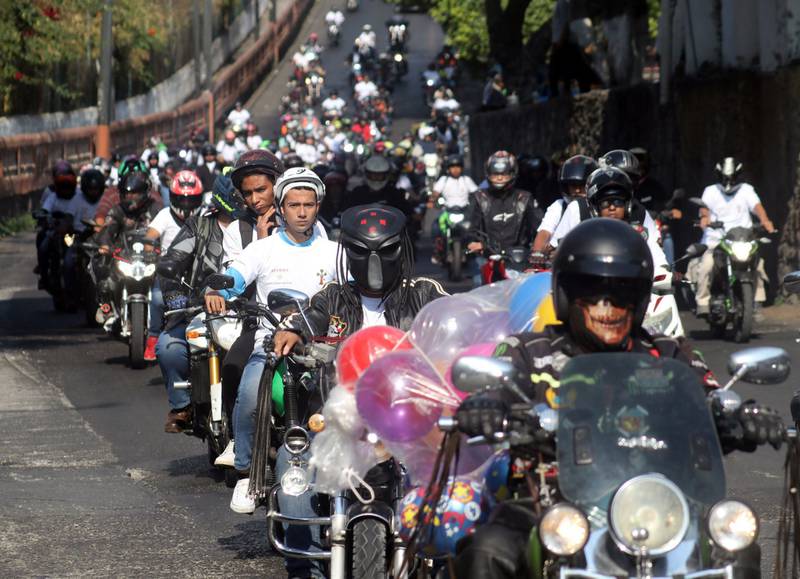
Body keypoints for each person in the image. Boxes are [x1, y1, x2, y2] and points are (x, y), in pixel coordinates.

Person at [452, 218, 783, 578]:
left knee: (735, 548)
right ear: (565, 294)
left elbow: (711, 398)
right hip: (547, 503)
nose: (607, 306)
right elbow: (491, 391)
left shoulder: (668, 352)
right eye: (591, 291)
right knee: (487, 551)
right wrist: (484, 407)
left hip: (663, 504)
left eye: (622, 292)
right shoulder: (529, 351)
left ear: (640, 300)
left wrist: (744, 416)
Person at [271, 205, 447, 578]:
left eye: (384, 250)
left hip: (408, 418)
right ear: (348, 251)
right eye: (363, 251)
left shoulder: (424, 292)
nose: (373, 261)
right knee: (293, 468)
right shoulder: (333, 296)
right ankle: (306, 567)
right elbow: (309, 317)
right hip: (339, 417)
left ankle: (440, 557)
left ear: (400, 249)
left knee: (460, 475)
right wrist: (294, 331)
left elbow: (452, 322)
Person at [203, 168, 339, 520]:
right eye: (294, 205)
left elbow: (358, 284)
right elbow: (235, 276)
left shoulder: (335, 252)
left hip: (322, 346)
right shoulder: (262, 249)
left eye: (309, 204)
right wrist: (218, 288)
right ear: (281, 207)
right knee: (250, 394)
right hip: (270, 343)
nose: (302, 212)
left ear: (318, 206)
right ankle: (246, 473)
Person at [155, 173, 247, 434]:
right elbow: (172, 261)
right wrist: (176, 297)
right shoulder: (199, 226)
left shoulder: (258, 228)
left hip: (247, 311)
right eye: (241, 193)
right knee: (168, 348)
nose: (246, 199)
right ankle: (182, 405)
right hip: (198, 309)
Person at [689, 157, 776, 316]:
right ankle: (702, 302)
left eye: (731, 178)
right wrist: (705, 218)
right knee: (706, 266)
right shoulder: (710, 191)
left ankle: (757, 301)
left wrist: (765, 221)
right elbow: (704, 208)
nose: (728, 182)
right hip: (715, 240)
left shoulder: (747, 190)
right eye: (725, 178)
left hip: (742, 240)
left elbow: (757, 207)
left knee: (758, 265)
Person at [143, 170, 204, 361]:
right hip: (169, 271)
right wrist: (149, 251)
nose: (186, 205)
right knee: (157, 299)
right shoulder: (164, 215)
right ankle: (153, 337)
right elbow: (150, 236)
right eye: (182, 199)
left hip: (197, 271)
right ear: (172, 198)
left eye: (191, 200)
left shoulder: (204, 216)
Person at [94, 169, 161, 325]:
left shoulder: (155, 210)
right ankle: (106, 308)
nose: (130, 197)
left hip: (151, 257)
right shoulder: (117, 210)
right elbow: (108, 229)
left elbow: (166, 230)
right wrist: (105, 245)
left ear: (144, 192)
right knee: (99, 266)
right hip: (123, 256)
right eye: (126, 193)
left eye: (134, 193)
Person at [466, 151, 542, 267]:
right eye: (495, 174)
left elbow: (540, 227)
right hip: (486, 258)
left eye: (504, 174)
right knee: (476, 274)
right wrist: (474, 243)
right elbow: (469, 227)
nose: (500, 178)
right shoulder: (479, 197)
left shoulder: (524, 198)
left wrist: (539, 249)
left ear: (513, 174)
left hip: (520, 260)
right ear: (488, 174)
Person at [532, 154, 597, 253]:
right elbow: (544, 232)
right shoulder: (558, 206)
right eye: (573, 185)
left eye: (582, 185)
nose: (577, 190)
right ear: (566, 187)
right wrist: (538, 254)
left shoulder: (599, 207)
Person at [344, 155, 413, 216]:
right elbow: (346, 212)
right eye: (373, 175)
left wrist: (413, 216)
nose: (376, 178)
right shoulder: (357, 193)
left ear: (386, 175)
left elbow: (407, 213)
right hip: (361, 226)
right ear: (367, 174)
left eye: (380, 175)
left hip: (388, 226)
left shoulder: (394, 194)